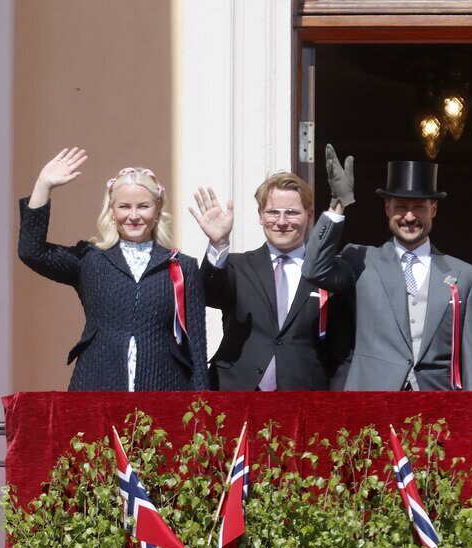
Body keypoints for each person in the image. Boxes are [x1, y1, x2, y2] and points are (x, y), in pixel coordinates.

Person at [18, 147, 208, 391]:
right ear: (111, 209)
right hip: (97, 384)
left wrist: (202, 409)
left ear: (158, 208)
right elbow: (32, 252)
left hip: (164, 389)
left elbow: (196, 345)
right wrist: (43, 185)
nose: (134, 216)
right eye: (124, 206)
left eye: (143, 206)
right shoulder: (91, 259)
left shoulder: (182, 265)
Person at [303, 148, 472, 390]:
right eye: (401, 206)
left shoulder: (466, 276)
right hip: (372, 406)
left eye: (420, 207)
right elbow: (313, 269)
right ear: (387, 209)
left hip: (438, 411)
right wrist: (338, 204)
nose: (410, 216)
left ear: (434, 209)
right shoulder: (360, 260)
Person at [190, 171, 353, 390]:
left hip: (305, 398)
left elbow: (343, 350)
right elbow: (210, 294)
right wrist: (218, 244)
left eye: (292, 213)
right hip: (237, 395)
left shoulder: (329, 274)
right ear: (260, 215)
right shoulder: (238, 266)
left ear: (310, 215)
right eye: (273, 212)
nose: (282, 222)